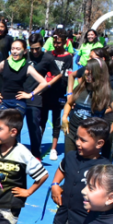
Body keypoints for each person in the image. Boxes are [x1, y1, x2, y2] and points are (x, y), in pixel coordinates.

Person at [0, 39, 49, 157]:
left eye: (18, 49)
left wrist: (30, 94)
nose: (15, 51)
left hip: (18, 103)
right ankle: (0, 154)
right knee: (1, 128)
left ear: (24, 51)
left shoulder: (27, 67)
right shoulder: (4, 63)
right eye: (13, 49)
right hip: (3, 101)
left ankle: (16, 157)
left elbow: (44, 82)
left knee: (13, 130)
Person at [62, 59, 113, 155]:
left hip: (90, 137)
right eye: (86, 69)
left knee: (86, 165)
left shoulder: (107, 92)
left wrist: (105, 133)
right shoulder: (80, 88)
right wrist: (65, 116)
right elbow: (69, 103)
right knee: (69, 161)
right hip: (73, 131)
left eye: (91, 71)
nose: (87, 73)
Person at [24, 34, 61, 158]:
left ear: (42, 46)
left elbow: (58, 74)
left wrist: (47, 85)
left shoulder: (48, 58)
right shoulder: (24, 54)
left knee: (35, 126)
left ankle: (36, 154)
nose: (34, 51)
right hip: (20, 94)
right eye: (32, 48)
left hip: (36, 96)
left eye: (37, 48)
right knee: (14, 125)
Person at [42, 28, 74, 160]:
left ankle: (54, 148)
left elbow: (68, 76)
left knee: (56, 120)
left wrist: (68, 93)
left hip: (59, 92)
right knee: (42, 120)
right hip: (45, 91)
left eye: (59, 43)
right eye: (55, 42)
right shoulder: (48, 54)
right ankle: (38, 144)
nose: (56, 45)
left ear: (65, 42)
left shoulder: (68, 57)